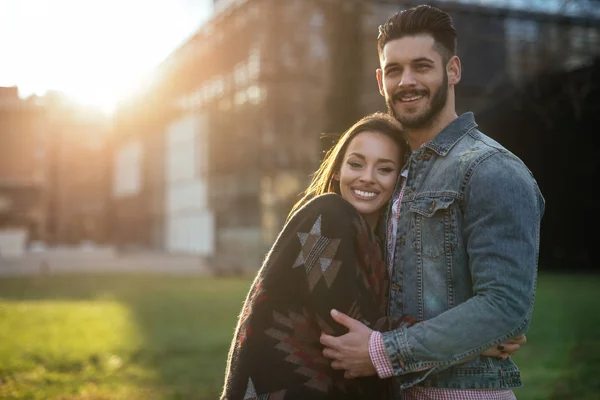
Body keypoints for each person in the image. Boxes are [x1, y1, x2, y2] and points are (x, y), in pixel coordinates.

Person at [320, 4, 545, 399]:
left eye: (422, 66)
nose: (406, 81)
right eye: (394, 70)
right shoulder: (393, 172)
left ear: (453, 70)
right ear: (380, 80)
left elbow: (505, 309)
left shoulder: (492, 170)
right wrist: (469, 338)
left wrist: (382, 352)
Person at [219, 112, 520, 400]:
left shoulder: (379, 245)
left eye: (384, 168)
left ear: (400, 180)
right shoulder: (328, 216)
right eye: (356, 164)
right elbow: (351, 332)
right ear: (338, 169)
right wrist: (471, 337)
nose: (367, 178)